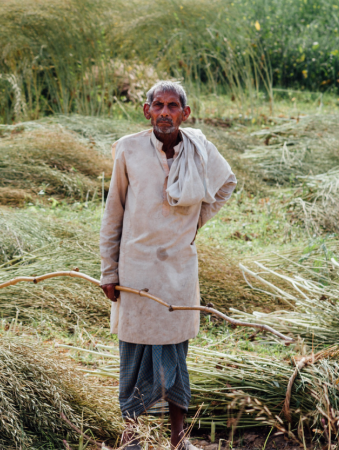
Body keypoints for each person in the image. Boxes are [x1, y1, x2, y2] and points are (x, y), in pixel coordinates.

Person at [99, 81, 237, 450]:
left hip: (178, 269)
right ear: (146, 111)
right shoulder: (128, 149)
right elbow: (113, 212)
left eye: (172, 106)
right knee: (133, 352)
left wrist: (193, 226)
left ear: (184, 113)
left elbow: (226, 184)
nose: (164, 112)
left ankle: (178, 439)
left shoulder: (199, 148)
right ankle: (131, 438)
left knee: (176, 352)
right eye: (157, 105)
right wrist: (108, 271)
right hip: (136, 269)